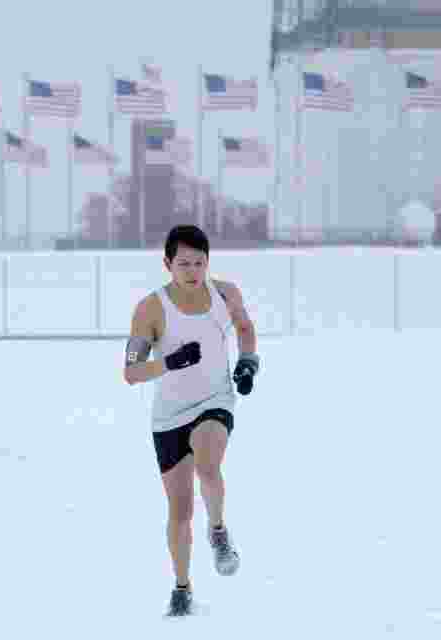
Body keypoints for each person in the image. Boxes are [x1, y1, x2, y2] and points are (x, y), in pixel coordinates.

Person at [122, 225, 260, 617]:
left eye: (200, 262)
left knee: (208, 461)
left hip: (215, 400)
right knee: (180, 511)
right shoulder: (150, 308)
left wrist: (247, 363)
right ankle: (181, 588)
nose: (193, 270)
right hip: (168, 417)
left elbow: (245, 328)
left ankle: (218, 531)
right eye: (183, 263)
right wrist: (170, 362)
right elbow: (131, 372)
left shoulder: (225, 293)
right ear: (167, 263)